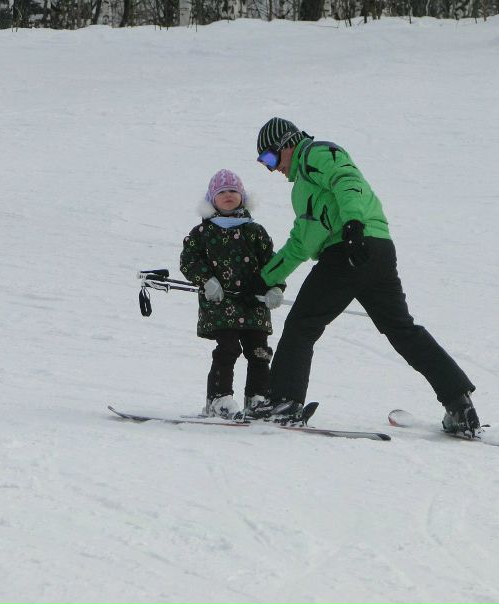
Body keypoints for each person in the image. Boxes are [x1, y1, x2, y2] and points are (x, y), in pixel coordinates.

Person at [248, 117, 480, 435]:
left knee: (302, 323)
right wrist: (265, 278)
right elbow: (301, 242)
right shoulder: (302, 189)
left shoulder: (317, 153)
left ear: (288, 144)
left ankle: (285, 402)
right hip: (375, 252)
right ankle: (459, 404)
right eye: (264, 163)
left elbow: (347, 179)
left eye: (271, 158)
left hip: (349, 249)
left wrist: (354, 224)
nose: (272, 168)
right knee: (402, 330)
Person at [180, 169, 285, 419]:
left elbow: (273, 263)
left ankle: (257, 398)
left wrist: (276, 287)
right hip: (220, 305)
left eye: (233, 192)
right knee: (227, 349)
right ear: (211, 199)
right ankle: (218, 398)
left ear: (243, 197)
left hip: (254, 305)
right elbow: (188, 261)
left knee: (259, 352)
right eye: (222, 192)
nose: (228, 196)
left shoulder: (255, 231)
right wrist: (206, 280)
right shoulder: (202, 233)